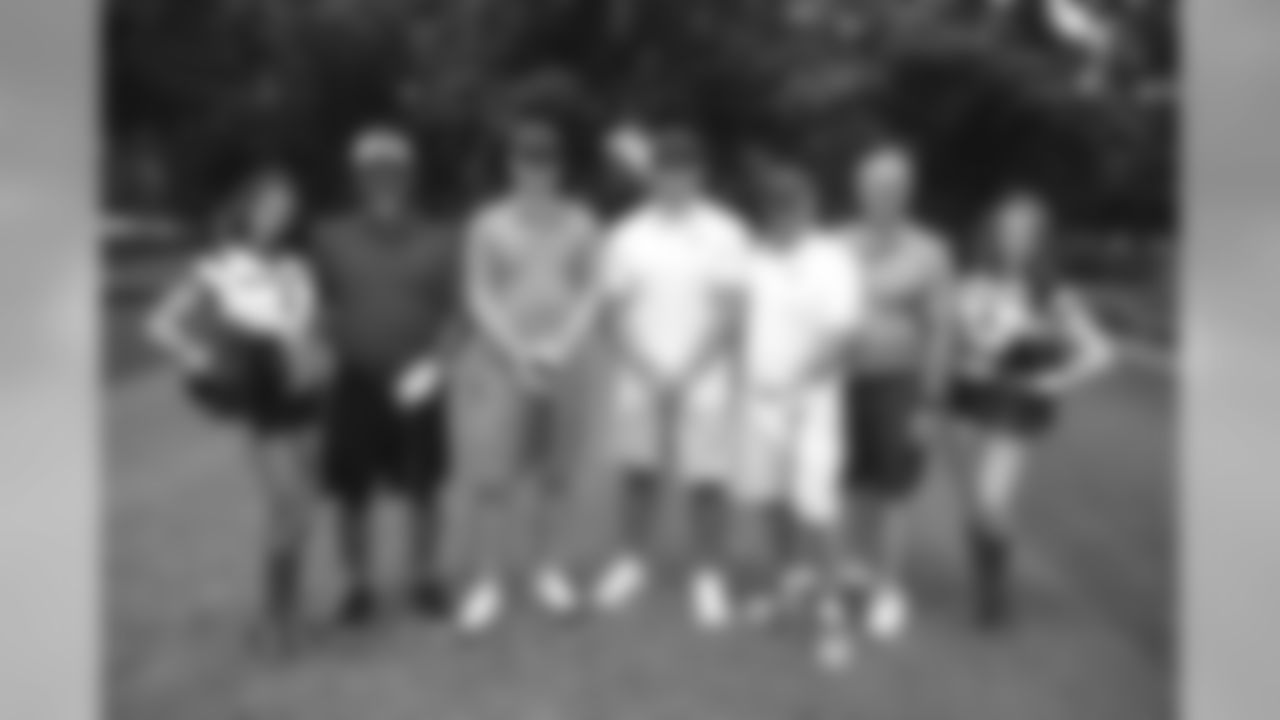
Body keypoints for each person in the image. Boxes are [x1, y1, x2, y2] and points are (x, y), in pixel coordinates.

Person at [147, 168, 325, 646]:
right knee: (285, 502)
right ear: (247, 209)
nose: (278, 215)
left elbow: (303, 328)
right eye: (269, 205)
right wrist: (196, 357)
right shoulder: (220, 266)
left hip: (306, 394)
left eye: (287, 208)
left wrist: (312, 353)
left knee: (302, 511)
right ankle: (273, 619)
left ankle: (289, 611)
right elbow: (161, 323)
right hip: (265, 398)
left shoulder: (296, 267)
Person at [593, 125, 753, 632]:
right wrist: (650, 370)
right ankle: (630, 563)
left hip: (703, 378)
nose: (675, 181)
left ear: (700, 175)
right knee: (637, 473)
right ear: (654, 176)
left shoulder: (726, 232)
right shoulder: (627, 235)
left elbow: (731, 313)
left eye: (685, 171)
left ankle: (708, 576)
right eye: (666, 171)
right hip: (640, 375)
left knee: (707, 481)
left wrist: (684, 373)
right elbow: (611, 315)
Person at [452, 119, 603, 633]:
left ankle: (548, 571)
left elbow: (591, 289)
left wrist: (560, 347)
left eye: (546, 162)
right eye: (526, 161)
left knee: (555, 474)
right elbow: (478, 292)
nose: (536, 171)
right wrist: (518, 354)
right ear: (512, 166)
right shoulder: (487, 223)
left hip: (565, 363)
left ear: (559, 168)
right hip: (500, 364)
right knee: (493, 477)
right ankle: (488, 580)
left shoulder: (582, 222)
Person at [309, 126, 458, 627]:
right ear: (358, 179)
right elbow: (314, 305)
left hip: (420, 378)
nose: (384, 182)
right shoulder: (329, 236)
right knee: (352, 492)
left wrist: (436, 364)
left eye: (394, 172)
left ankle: (425, 577)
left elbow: (455, 314)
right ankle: (358, 585)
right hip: (355, 380)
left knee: (425, 486)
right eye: (373, 173)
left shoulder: (439, 237)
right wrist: (323, 351)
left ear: (410, 177)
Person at [947, 190, 1115, 627]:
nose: (1013, 239)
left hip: (1013, 404)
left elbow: (1101, 352)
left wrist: (1054, 380)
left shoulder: (1051, 293)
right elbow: (955, 341)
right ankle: (985, 577)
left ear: (1039, 239)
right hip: (967, 399)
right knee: (976, 502)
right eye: (1006, 230)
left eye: (1024, 232)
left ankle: (993, 595)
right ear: (992, 234)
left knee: (991, 497)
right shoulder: (972, 284)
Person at [734, 159, 867, 669]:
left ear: (810, 207)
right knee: (770, 500)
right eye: (775, 208)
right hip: (759, 402)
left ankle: (832, 615)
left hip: (813, 405)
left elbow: (841, 337)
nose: (784, 216)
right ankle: (788, 586)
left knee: (818, 509)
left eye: (793, 206)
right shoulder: (754, 259)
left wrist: (795, 383)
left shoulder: (832, 260)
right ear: (766, 212)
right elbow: (742, 324)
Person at [838, 144, 954, 643]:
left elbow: (941, 330)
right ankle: (856, 570)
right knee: (852, 483)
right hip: (843, 380)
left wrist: (930, 402)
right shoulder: (836, 243)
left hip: (899, 381)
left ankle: (889, 589)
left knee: (893, 490)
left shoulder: (930, 251)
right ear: (858, 190)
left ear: (907, 191)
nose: (881, 194)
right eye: (871, 185)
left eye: (892, 186)